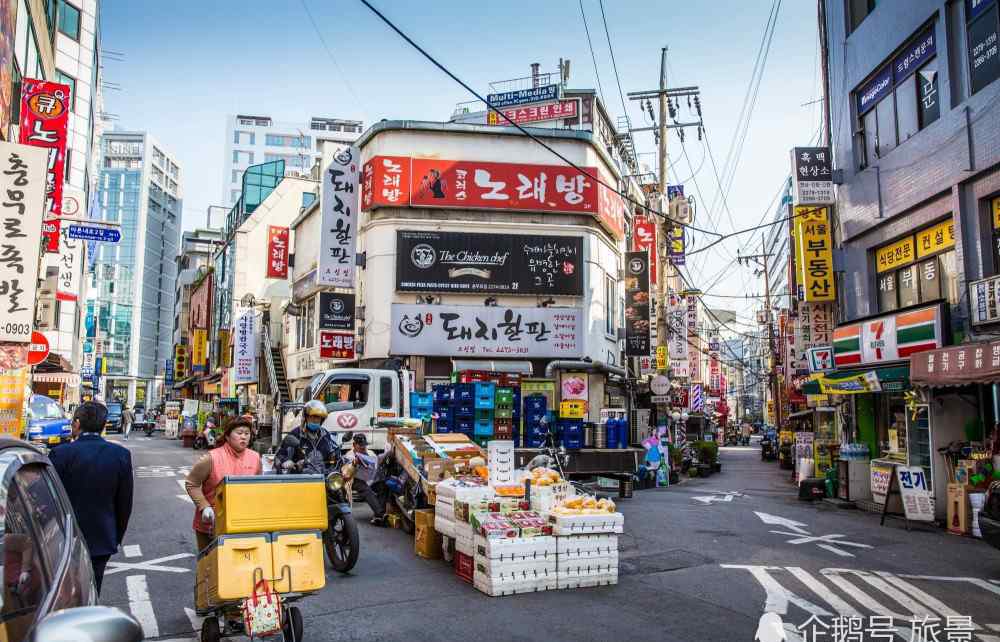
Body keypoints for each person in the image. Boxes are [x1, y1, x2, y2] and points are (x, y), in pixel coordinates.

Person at [49, 401, 134, 594]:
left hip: (64, 536)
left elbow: (50, 499)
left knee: (63, 590)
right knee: (93, 588)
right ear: (104, 425)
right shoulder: (120, 455)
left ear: (77, 424)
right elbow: (124, 503)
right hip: (102, 537)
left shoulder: (60, 454)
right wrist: (116, 535)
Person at [184, 416, 262, 551]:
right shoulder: (211, 458)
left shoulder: (255, 457)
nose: (243, 437)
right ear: (227, 436)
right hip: (211, 523)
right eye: (239, 433)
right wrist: (204, 506)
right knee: (210, 567)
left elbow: (258, 486)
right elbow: (192, 483)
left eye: (247, 433)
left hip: (242, 522)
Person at [273, 400, 340, 477]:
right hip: (300, 481)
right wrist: (285, 462)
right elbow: (278, 458)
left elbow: (335, 456)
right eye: (312, 417)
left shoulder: (326, 436)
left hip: (323, 480)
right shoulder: (295, 435)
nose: (315, 420)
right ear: (306, 417)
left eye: (318, 417)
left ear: (322, 419)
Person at [344, 433, 387, 526]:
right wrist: (354, 465)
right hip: (355, 479)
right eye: (360, 446)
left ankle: (379, 513)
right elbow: (346, 474)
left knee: (383, 485)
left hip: (371, 478)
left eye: (364, 446)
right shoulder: (349, 456)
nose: (363, 448)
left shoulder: (370, 453)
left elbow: (376, 463)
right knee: (365, 489)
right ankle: (380, 513)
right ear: (354, 445)